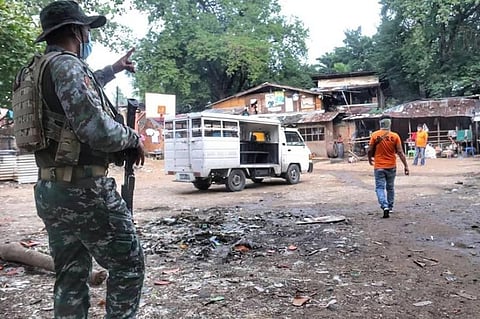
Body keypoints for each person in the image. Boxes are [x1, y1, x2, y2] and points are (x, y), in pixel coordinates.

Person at [32, 1, 145, 318]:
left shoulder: (41, 68)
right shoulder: (68, 66)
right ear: (76, 31)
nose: (88, 36)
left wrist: (115, 68)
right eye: (86, 29)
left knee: (70, 274)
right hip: (84, 190)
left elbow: (83, 87)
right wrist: (132, 138)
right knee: (128, 265)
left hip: (50, 188)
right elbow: (95, 128)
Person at [367, 118, 409, 218]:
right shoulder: (395, 136)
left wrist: (369, 159)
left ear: (380, 125)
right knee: (390, 187)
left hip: (379, 166)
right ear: (389, 125)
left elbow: (369, 150)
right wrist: (406, 166)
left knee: (379, 187)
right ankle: (390, 207)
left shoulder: (374, 135)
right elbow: (400, 152)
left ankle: (384, 205)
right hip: (391, 166)